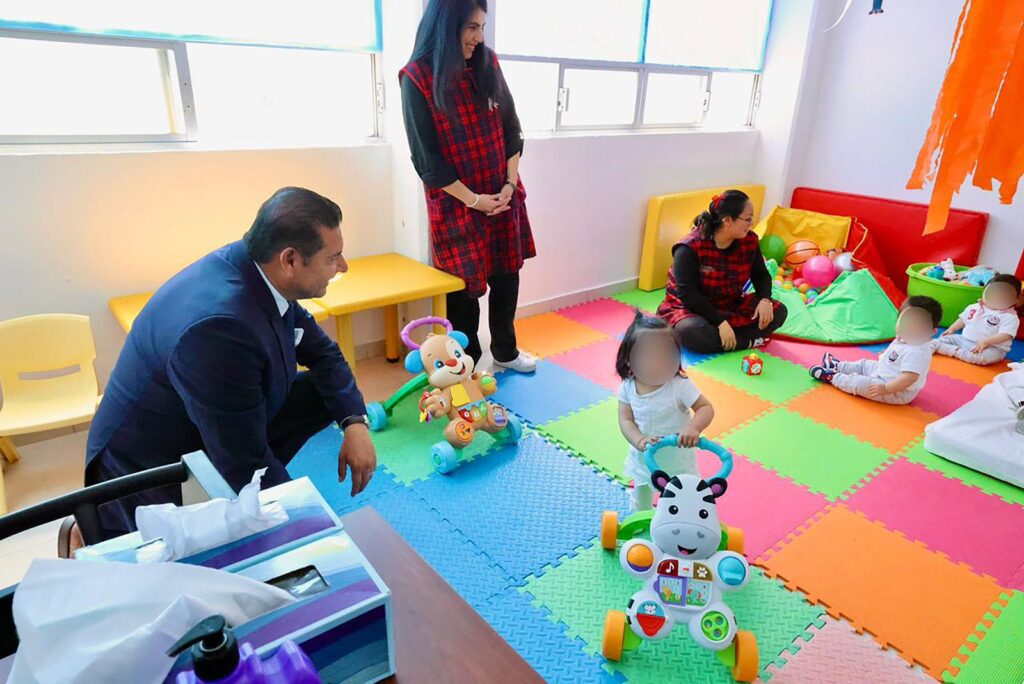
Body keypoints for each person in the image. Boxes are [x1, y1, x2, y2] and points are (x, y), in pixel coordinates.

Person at [86, 187, 377, 540]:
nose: (343, 267)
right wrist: (308, 526)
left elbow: (324, 354)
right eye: (333, 258)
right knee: (269, 512)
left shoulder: (258, 271)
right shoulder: (219, 329)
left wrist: (355, 424)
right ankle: (95, 529)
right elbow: (244, 464)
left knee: (322, 393)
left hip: (213, 419)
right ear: (290, 260)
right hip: (149, 465)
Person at [400, 0, 537, 372]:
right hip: (456, 203)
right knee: (462, 289)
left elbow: (512, 128)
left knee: (506, 274)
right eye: (471, 27)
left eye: (482, 27)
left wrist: (509, 184)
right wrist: (475, 200)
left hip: (502, 195)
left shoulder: (487, 62)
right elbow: (428, 160)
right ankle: (467, 362)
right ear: (446, 26)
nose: (478, 37)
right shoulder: (416, 78)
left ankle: (505, 351)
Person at [657, 189, 788, 354]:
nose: (751, 224)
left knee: (779, 311)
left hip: (729, 303)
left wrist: (764, 300)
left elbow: (760, 274)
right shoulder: (689, 247)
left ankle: (731, 340)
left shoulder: (749, 240)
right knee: (692, 332)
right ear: (727, 220)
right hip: (690, 308)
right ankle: (747, 340)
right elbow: (689, 296)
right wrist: (720, 323)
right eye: (747, 219)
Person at [616, 312, 715, 512]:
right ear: (629, 361)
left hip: (678, 461)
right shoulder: (628, 386)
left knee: (684, 501)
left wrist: (693, 427)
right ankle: (641, 519)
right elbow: (626, 420)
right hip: (644, 459)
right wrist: (639, 440)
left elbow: (705, 408)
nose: (659, 363)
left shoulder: (679, 385)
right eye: (649, 357)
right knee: (641, 502)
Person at [809, 295, 943, 405]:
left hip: (896, 390)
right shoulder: (904, 336)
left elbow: (909, 377)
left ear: (931, 332)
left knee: (860, 383)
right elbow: (898, 352)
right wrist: (887, 354)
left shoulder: (917, 351)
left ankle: (832, 377)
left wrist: (886, 389)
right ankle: (837, 366)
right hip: (883, 371)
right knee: (864, 364)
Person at [932, 274, 1021, 365]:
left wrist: (986, 342)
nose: (997, 298)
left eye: (1004, 297)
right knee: (943, 339)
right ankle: (934, 346)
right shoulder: (974, 307)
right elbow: (963, 319)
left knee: (981, 358)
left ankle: (951, 350)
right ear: (984, 292)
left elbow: (1005, 335)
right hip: (964, 340)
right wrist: (952, 329)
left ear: (1015, 300)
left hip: (992, 347)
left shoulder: (1009, 317)